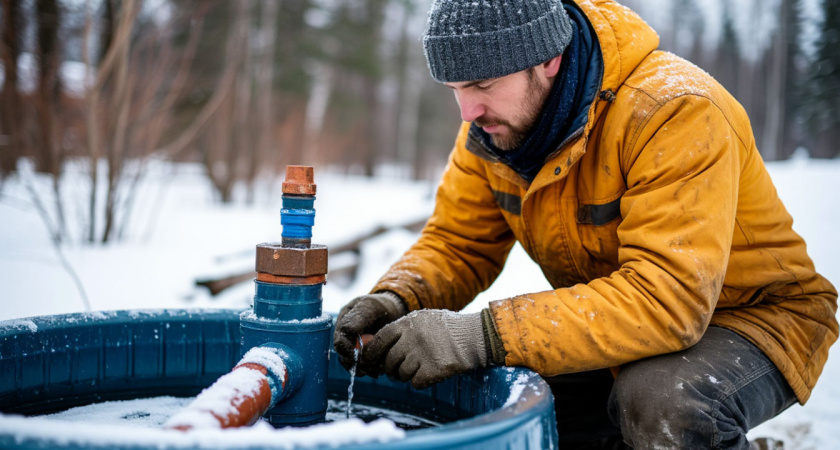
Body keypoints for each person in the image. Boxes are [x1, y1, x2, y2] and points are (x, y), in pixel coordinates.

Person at [333, 0, 838, 448]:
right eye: (456, 89)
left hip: (754, 317)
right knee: (511, 395)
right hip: (620, 319)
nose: (469, 111)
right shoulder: (490, 137)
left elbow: (669, 300)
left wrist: (480, 334)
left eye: (483, 85)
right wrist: (396, 299)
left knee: (662, 402)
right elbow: (458, 243)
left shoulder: (674, 111)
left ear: (549, 60)